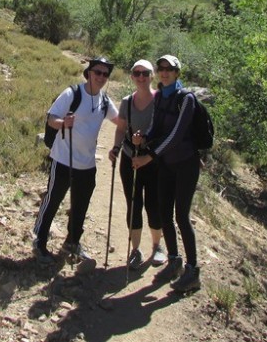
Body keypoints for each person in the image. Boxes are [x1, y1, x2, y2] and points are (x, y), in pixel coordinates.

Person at [33, 57, 120, 265]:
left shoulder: (105, 101)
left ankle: (72, 242)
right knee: (53, 199)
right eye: (97, 72)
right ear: (89, 72)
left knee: (80, 205)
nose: (100, 77)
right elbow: (51, 118)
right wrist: (64, 123)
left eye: (105, 74)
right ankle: (40, 240)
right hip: (63, 159)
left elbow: (120, 121)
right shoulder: (72, 93)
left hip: (87, 164)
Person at [132, 54, 202, 293]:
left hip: (186, 164)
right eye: (161, 68)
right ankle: (174, 261)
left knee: (181, 215)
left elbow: (176, 135)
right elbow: (156, 126)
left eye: (169, 69)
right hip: (167, 163)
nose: (164, 72)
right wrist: (145, 137)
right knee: (164, 212)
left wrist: (148, 156)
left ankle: (192, 271)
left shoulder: (186, 100)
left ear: (177, 73)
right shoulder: (161, 96)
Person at [109, 59, 165, 270]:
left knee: (153, 203)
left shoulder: (160, 101)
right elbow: (120, 129)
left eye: (145, 73)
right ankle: (135, 250)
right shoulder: (126, 102)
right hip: (130, 158)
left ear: (152, 76)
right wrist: (115, 148)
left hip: (153, 160)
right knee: (133, 204)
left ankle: (158, 246)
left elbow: (164, 131)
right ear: (132, 76)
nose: (141, 77)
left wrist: (146, 141)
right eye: (137, 73)